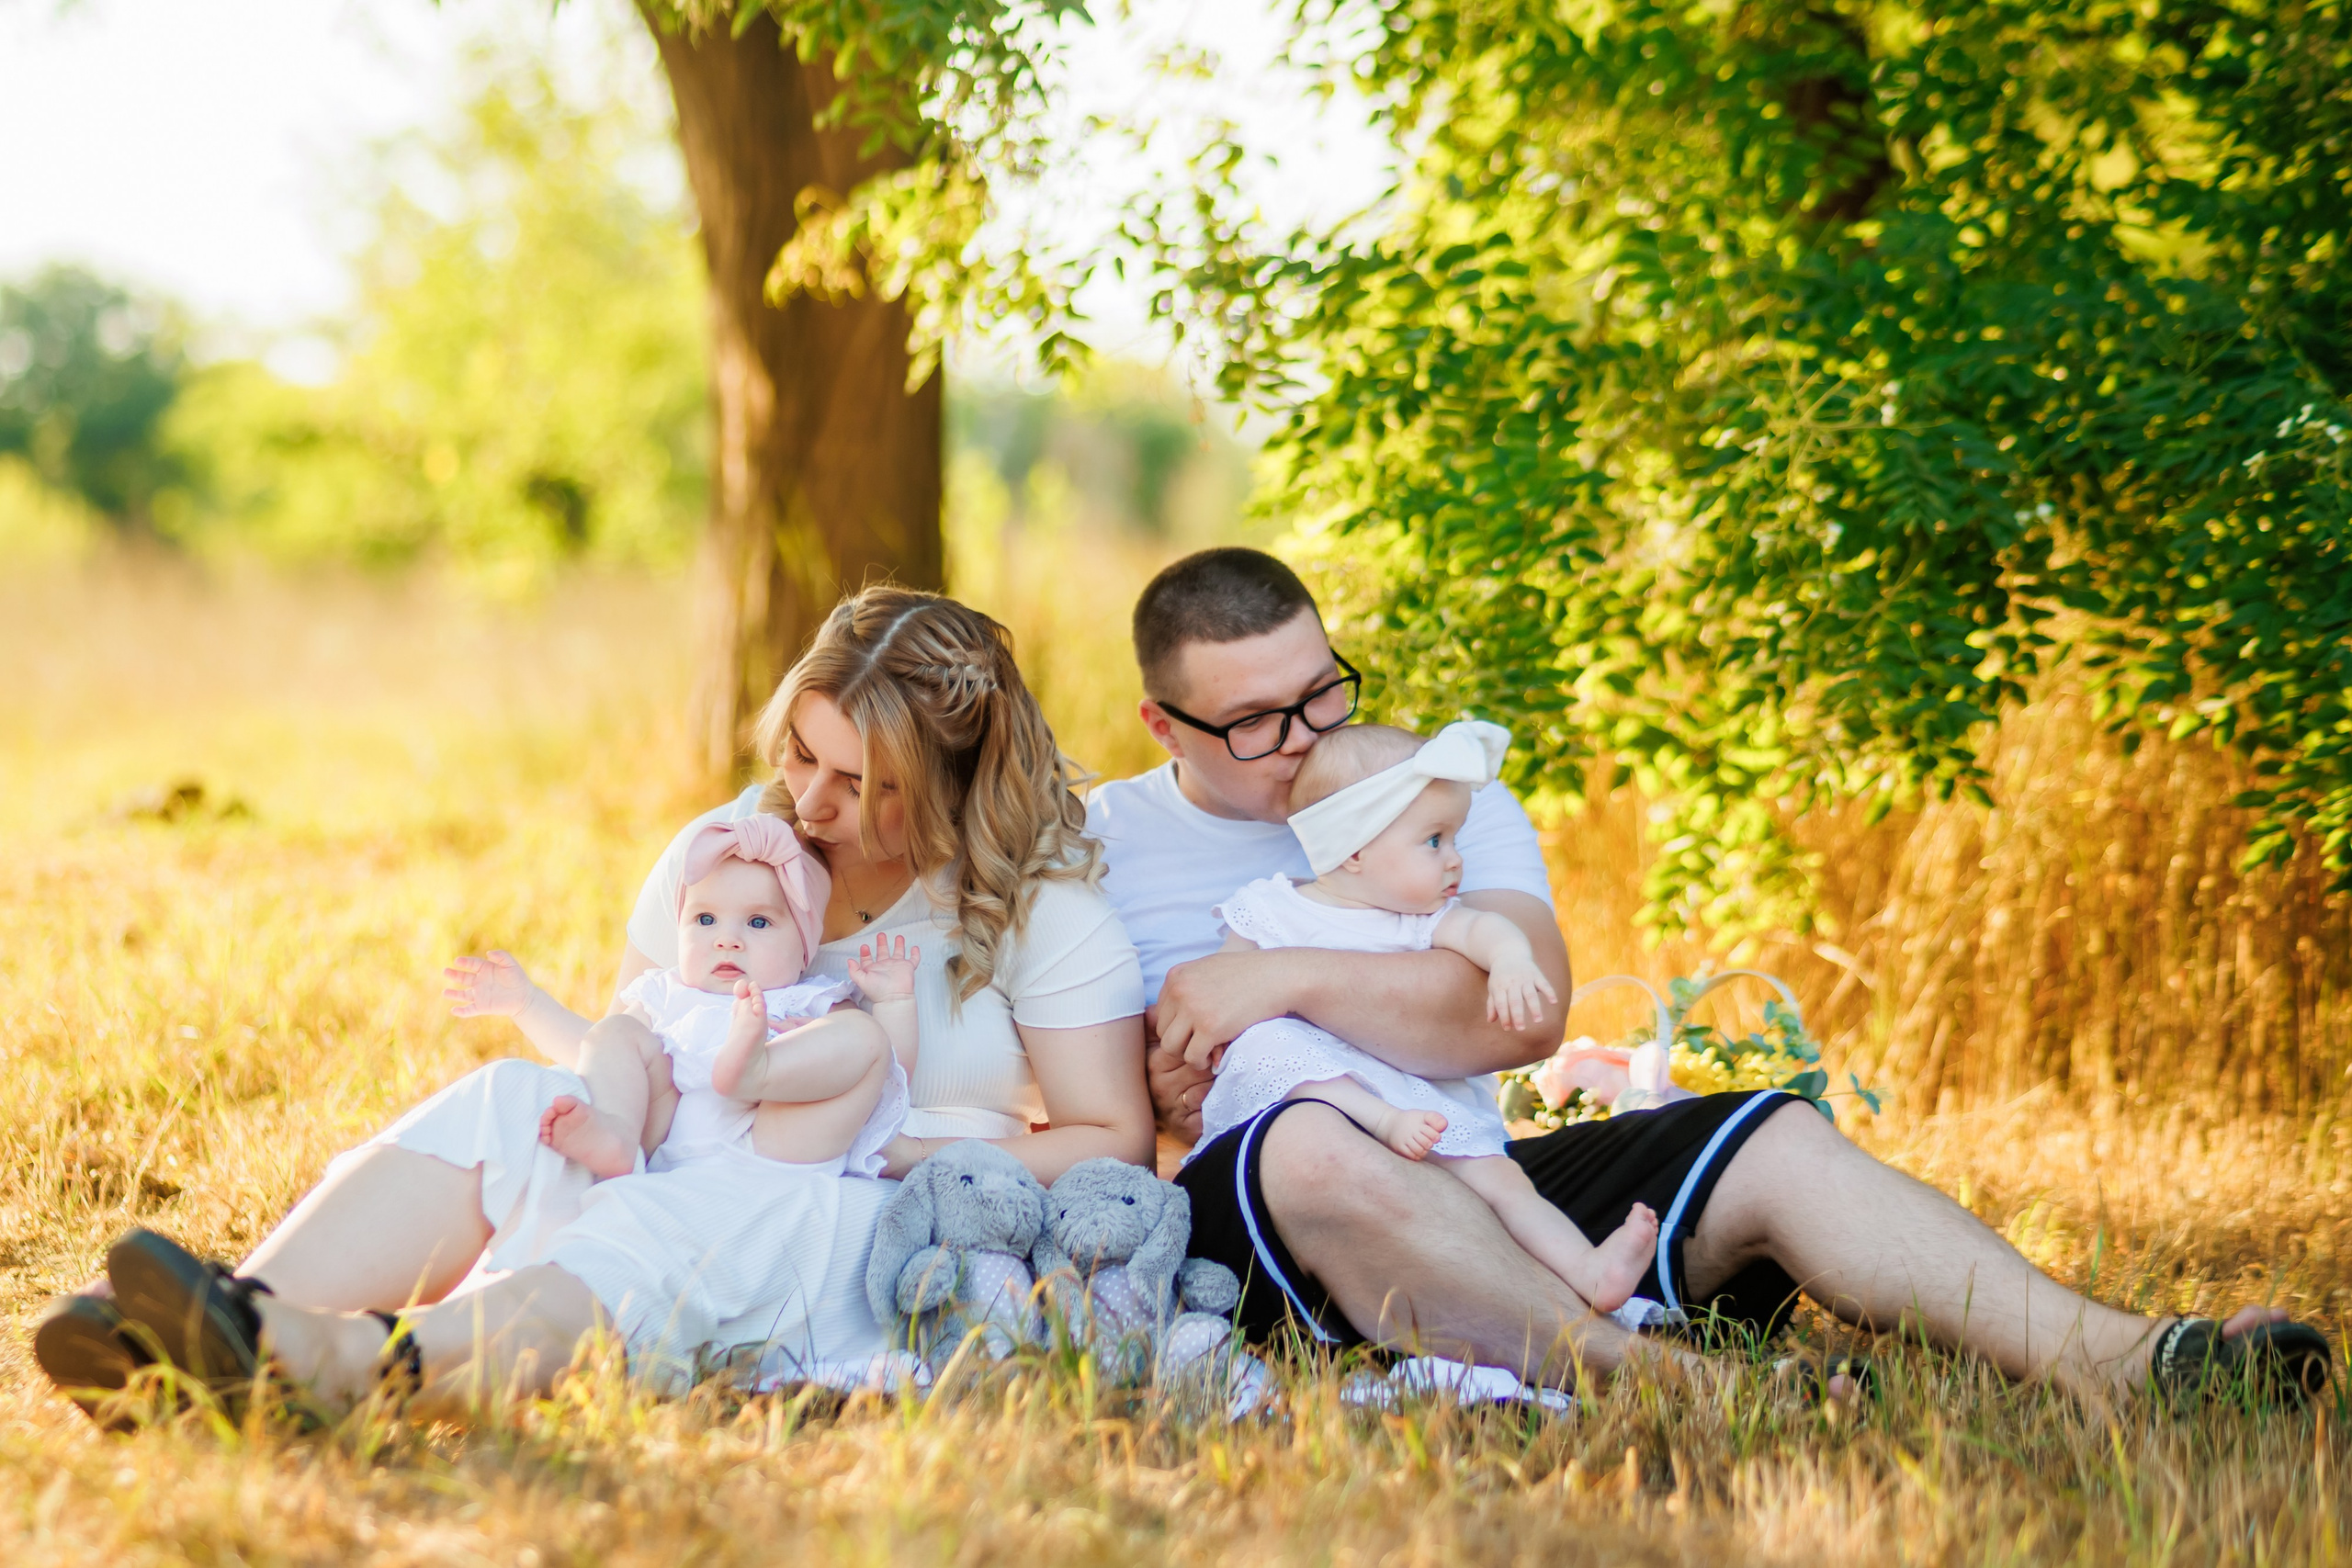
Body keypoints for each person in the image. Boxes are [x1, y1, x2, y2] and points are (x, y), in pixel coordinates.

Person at [1087, 546, 2330, 1404]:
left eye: (1323, 694)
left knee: (1773, 1132)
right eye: (1256, 723)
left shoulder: (1434, 786)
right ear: (1163, 724)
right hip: (1264, 1217)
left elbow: (1510, 1021)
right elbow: (1092, 1093)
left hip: (1477, 1174)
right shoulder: (1102, 841)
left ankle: (2123, 1358)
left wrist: (1275, 976)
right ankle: (1652, 1378)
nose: (1306, 743)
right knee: (1310, 1142)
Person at [36, 589, 1152, 1422]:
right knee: (514, 1100)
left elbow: (1114, 1140)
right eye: (805, 755)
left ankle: (337, 1365)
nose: (811, 802)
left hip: (852, 1207)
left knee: (669, 1229)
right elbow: (644, 1047)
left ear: (952, 780)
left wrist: (890, 1153)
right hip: (684, 1145)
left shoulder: (1036, 910)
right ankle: (209, 1326)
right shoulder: (730, 854)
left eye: (863, 785)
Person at [1178, 717, 1659, 1315]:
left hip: (1420, 1106)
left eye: (1454, 838)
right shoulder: (1270, 909)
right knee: (1270, 1039)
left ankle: (1590, 1270)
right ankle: (1376, 1122)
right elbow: (1227, 994)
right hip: (1322, 1110)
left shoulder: (1419, 920)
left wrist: (1509, 960)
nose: (1456, 861)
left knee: (1503, 1183)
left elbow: (1486, 929)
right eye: (1435, 840)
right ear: (1353, 849)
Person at [443, 817, 922, 1180]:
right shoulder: (666, 995)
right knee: (615, 1035)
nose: (727, 940)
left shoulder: (806, 1000)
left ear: (803, 948)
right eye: (705, 920)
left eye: (757, 923)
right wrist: (527, 1004)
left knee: (859, 1036)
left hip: (768, 1143)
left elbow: (883, 1074)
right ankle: (615, 1133)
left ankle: (757, 1070)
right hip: (666, 1141)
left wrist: (895, 1002)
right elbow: (588, 1051)